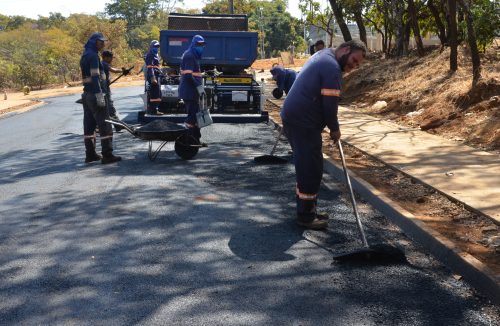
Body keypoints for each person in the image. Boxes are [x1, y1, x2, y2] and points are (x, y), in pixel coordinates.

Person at [280, 40, 367, 230]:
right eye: (354, 60)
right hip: (302, 122)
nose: (353, 66)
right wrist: (334, 129)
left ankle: (308, 209)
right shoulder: (331, 67)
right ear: (345, 49)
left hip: (296, 118)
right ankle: (306, 216)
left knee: (308, 166)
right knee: (310, 169)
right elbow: (330, 106)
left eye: (357, 64)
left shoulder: (324, 55)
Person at [80, 32, 122, 164]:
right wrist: (99, 95)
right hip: (95, 94)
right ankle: (107, 155)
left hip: (87, 95)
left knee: (89, 125)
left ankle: (90, 154)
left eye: (104, 42)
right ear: (94, 42)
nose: (103, 44)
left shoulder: (85, 55)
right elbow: (95, 77)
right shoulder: (93, 56)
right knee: (105, 125)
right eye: (101, 42)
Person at [178, 35, 206, 142]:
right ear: (194, 44)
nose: (201, 47)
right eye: (199, 44)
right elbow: (188, 76)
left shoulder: (192, 55)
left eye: (202, 45)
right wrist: (198, 87)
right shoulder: (189, 55)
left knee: (194, 114)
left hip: (191, 91)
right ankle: (187, 139)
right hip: (189, 91)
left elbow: (193, 73)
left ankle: (195, 138)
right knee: (192, 116)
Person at [101, 50, 129, 131]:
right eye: (110, 58)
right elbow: (113, 70)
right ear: (106, 57)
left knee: (106, 107)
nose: (111, 59)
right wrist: (122, 71)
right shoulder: (104, 64)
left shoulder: (103, 63)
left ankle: (116, 126)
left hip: (105, 87)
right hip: (104, 88)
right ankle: (118, 125)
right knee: (110, 107)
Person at [144, 40, 162, 115]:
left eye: (158, 46)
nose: (156, 48)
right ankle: (153, 110)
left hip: (156, 75)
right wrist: (153, 77)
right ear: (151, 47)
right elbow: (150, 67)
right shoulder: (150, 55)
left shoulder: (155, 55)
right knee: (154, 93)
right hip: (153, 76)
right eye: (155, 46)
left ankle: (155, 109)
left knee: (157, 93)